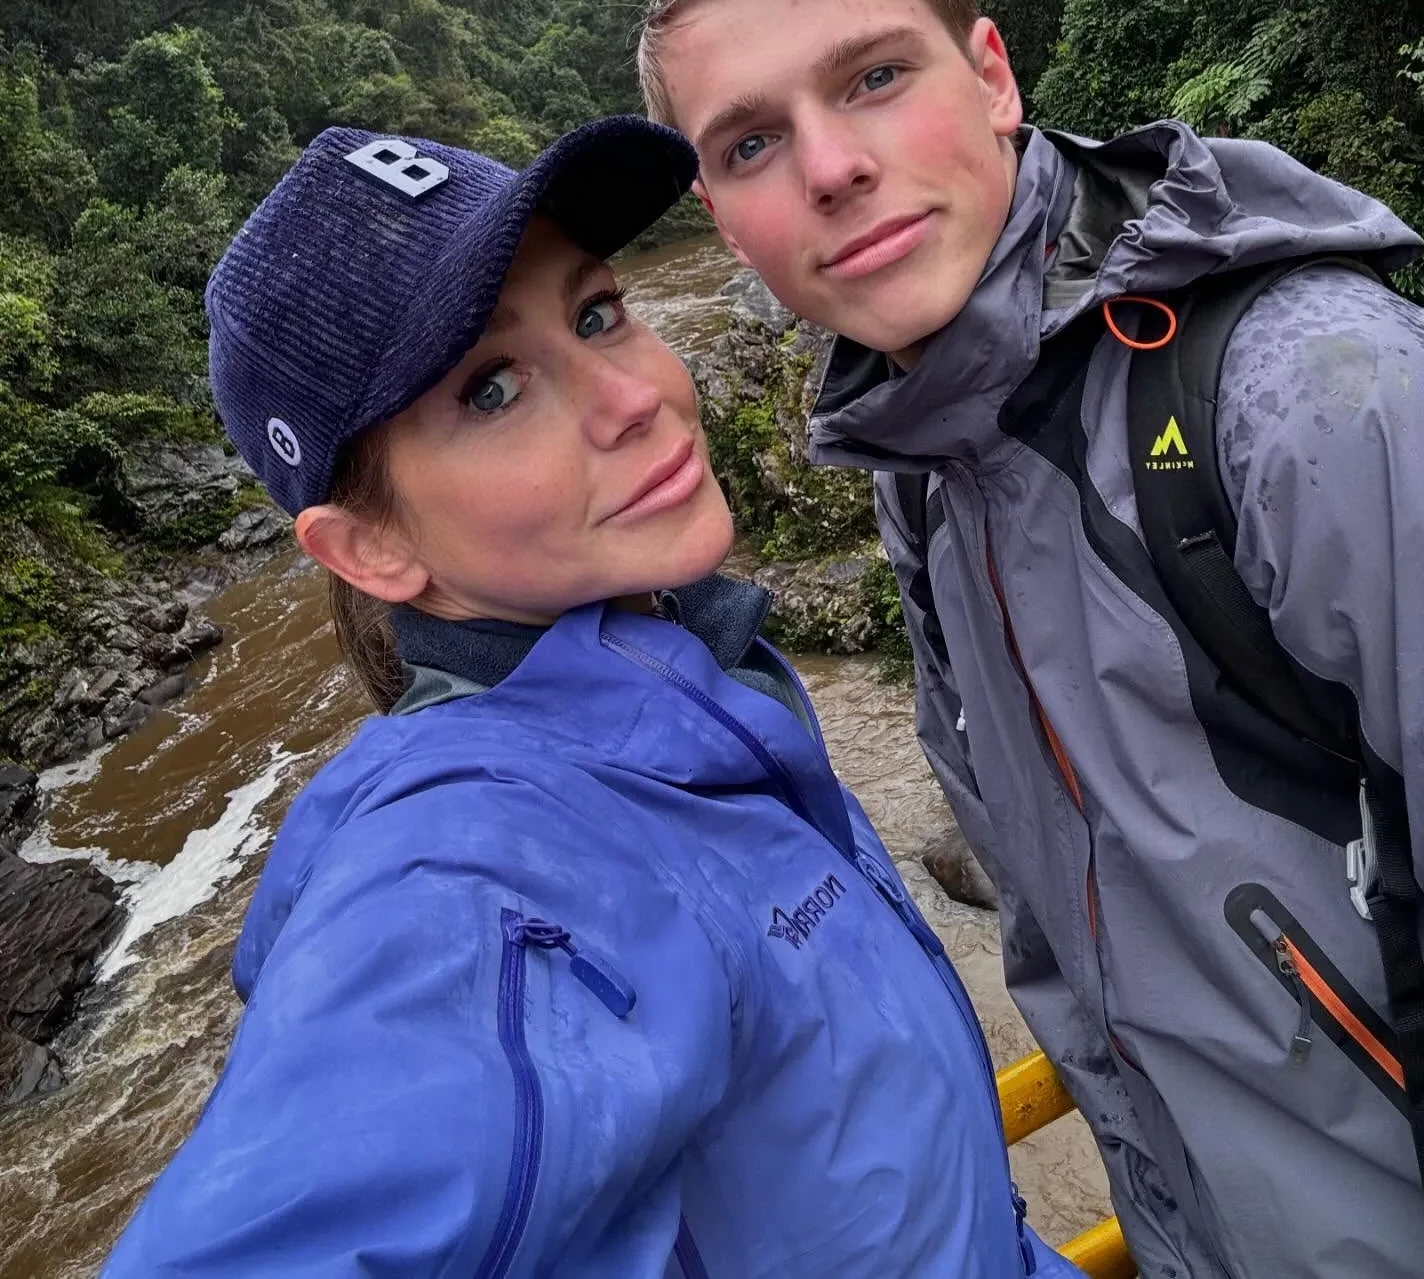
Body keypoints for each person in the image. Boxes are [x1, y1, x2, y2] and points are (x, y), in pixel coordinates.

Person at [638, 0, 1424, 1279]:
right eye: (751, 142)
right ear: (717, 210)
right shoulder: (923, 459)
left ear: (993, 73)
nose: (829, 166)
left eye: (875, 76)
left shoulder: (1315, 397)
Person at [101, 116, 1075, 1279]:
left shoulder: (689, 672)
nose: (633, 395)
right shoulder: (465, 860)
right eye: (493, 388)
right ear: (370, 547)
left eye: (598, 312)